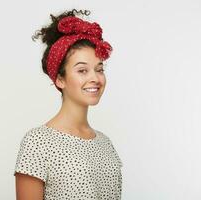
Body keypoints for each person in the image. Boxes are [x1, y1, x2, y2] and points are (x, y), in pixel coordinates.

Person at [13, 8, 123, 200]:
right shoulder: (37, 142)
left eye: (99, 69)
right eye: (82, 70)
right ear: (60, 79)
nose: (95, 78)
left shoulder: (105, 143)